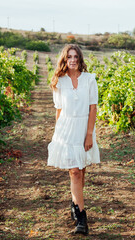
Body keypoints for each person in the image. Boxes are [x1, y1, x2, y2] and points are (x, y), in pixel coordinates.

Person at [47, 44, 100, 235]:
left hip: (84, 129)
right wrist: (56, 135)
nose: (73, 60)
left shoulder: (89, 79)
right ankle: (82, 218)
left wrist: (89, 134)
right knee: (75, 172)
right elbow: (59, 111)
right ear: (64, 59)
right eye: (69, 57)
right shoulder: (59, 82)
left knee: (82, 171)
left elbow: (93, 108)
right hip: (66, 129)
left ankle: (74, 202)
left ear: (80, 59)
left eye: (76, 56)